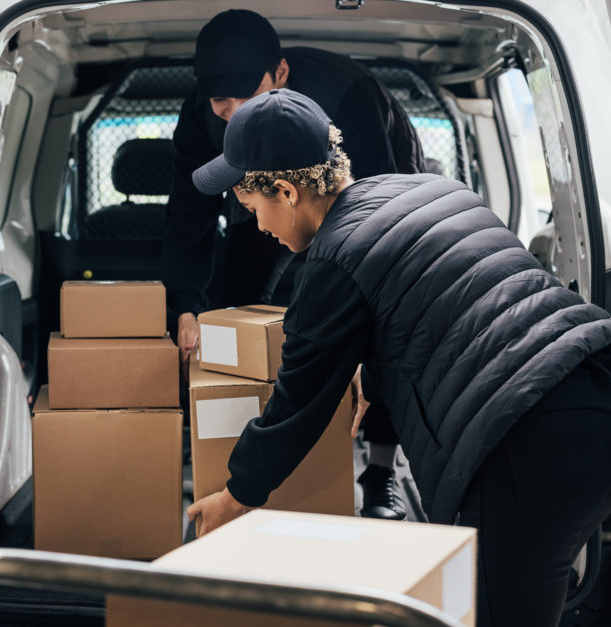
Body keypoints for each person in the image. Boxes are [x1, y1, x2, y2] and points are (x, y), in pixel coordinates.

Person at [184, 89, 611, 627]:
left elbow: (298, 404)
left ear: (285, 190)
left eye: (251, 207)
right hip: (596, 411)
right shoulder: (427, 190)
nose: (255, 226)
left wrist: (238, 495)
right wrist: (378, 372)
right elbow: (453, 303)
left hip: (528, 449)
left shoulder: (333, 264)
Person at [165, 8, 426, 519]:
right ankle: (228, 449)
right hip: (271, 190)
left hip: (371, 191)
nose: (232, 110)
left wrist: (352, 349)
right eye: (221, 102)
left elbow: (371, 233)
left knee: (378, 321)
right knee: (230, 305)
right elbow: (187, 218)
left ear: (280, 75)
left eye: (246, 96)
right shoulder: (202, 116)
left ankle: (378, 470)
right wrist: (187, 309)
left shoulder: (350, 95)